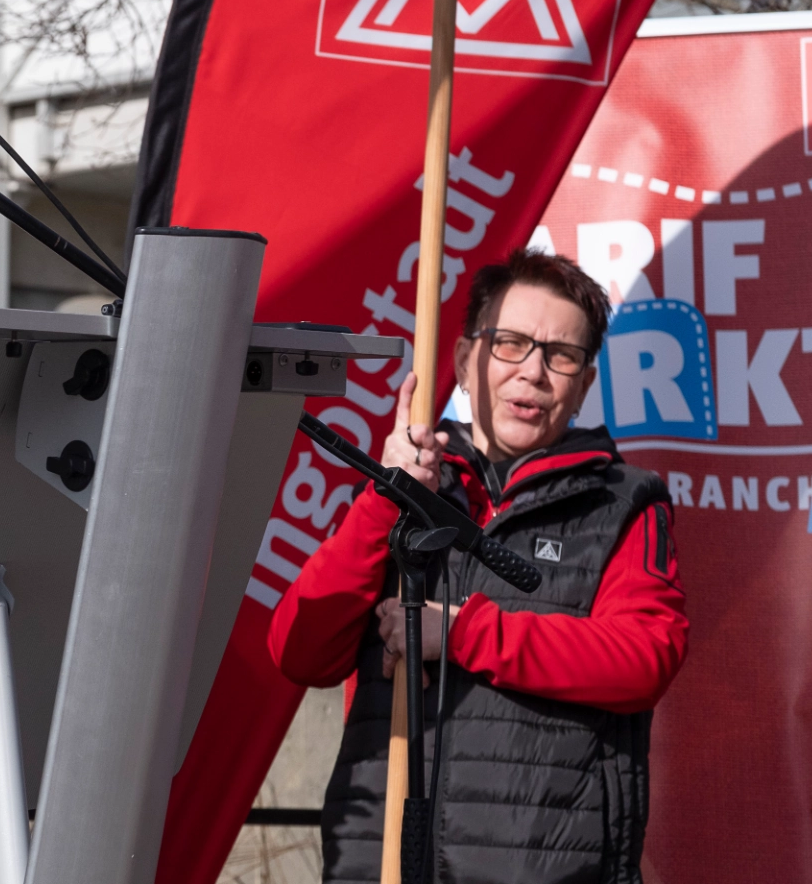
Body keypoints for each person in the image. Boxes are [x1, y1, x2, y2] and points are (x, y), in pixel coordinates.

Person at [267, 248, 688, 883]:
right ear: (465, 360)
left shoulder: (622, 502)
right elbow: (300, 650)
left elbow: (644, 657)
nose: (535, 372)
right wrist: (384, 500)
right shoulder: (405, 490)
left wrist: (463, 634)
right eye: (511, 343)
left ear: (584, 386)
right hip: (378, 860)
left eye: (561, 355)